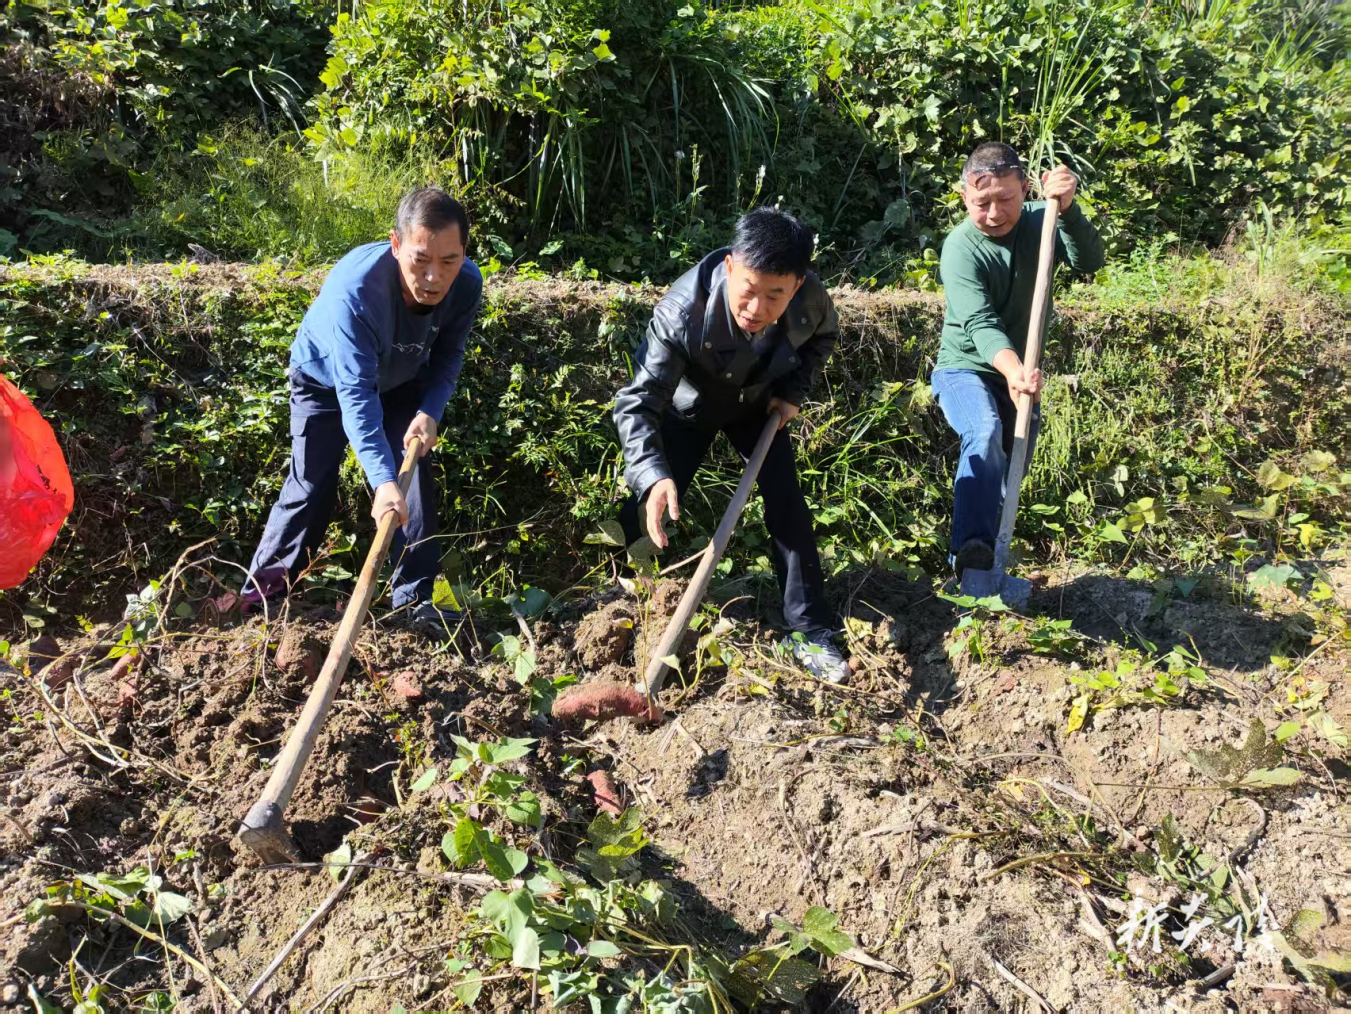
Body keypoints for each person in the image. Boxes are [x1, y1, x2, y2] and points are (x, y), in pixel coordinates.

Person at [613, 208, 850, 683]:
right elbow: (637, 402)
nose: (757, 308)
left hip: (757, 407)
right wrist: (652, 475)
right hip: (690, 406)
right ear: (729, 268)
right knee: (650, 500)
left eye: (774, 295)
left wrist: (791, 395)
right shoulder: (681, 313)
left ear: (797, 285)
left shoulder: (811, 301)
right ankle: (619, 602)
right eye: (748, 289)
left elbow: (821, 340)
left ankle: (808, 628)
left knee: (787, 502)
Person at [243, 186, 483, 628]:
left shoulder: (466, 283)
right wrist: (380, 481)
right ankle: (261, 602)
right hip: (326, 379)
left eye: (448, 261)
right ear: (396, 245)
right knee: (311, 486)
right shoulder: (356, 292)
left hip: (403, 378)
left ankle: (415, 604)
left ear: (463, 252)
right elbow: (355, 396)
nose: (433, 277)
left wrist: (430, 410)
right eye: (420, 259)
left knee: (414, 484)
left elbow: (449, 355)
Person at [932, 142, 1104, 578]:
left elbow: (1089, 262)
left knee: (1016, 458)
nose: (993, 213)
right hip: (966, 367)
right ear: (963, 195)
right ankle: (970, 552)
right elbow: (979, 322)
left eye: (1005, 199)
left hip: (1020, 371)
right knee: (984, 430)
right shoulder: (960, 248)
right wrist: (1012, 371)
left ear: (1025, 188)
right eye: (980, 203)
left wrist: (1066, 209)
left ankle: (994, 554)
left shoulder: (1040, 221)